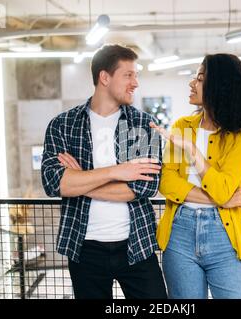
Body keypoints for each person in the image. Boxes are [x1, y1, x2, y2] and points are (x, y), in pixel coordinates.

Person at [41, 44, 167, 299]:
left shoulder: (143, 124)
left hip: (137, 243)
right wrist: (118, 171)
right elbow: (55, 184)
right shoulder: (63, 125)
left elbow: (144, 188)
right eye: (128, 75)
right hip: (84, 247)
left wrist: (81, 180)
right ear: (105, 77)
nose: (136, 83)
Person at [150, 53, 241, 299]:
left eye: (200, 78)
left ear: (219, 87)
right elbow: (166, 182)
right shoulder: (182, 125)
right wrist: (220, 200)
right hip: (178, 234)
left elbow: (224, 188)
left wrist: (193, 152)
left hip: (223, 235)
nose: (192, 83)